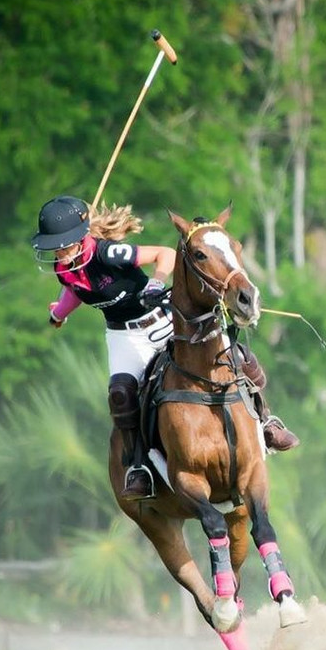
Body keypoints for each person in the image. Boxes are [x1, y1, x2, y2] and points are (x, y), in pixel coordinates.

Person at [31, 195, 298, 503]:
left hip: (161, 318)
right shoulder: (64, 268)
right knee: (121, 394)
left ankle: (266, 423)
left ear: (80, 238)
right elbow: (75, 291)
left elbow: (164, 254)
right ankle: (139, 467)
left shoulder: (109, 253)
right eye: (55, 246)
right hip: (124, 336)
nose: (59, 252)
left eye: (64, 244)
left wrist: (157, 283)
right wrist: (58, 315)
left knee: (239, 357)